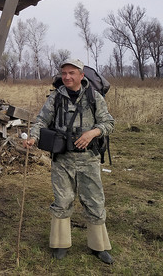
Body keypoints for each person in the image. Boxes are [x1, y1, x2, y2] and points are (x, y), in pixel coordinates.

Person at [23, 58, 115, 264]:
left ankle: (98, 247)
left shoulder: (94, 97)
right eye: (64, 73)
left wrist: (92, 133)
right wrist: (33, 137)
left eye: (72, 73)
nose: (67, 77)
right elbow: (41, 121)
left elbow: (108, 123)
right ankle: (60, 244)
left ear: (81, 75)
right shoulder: (56, 97)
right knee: (62, 201)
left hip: (88, 160)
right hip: (62, 160)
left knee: (94, 201)